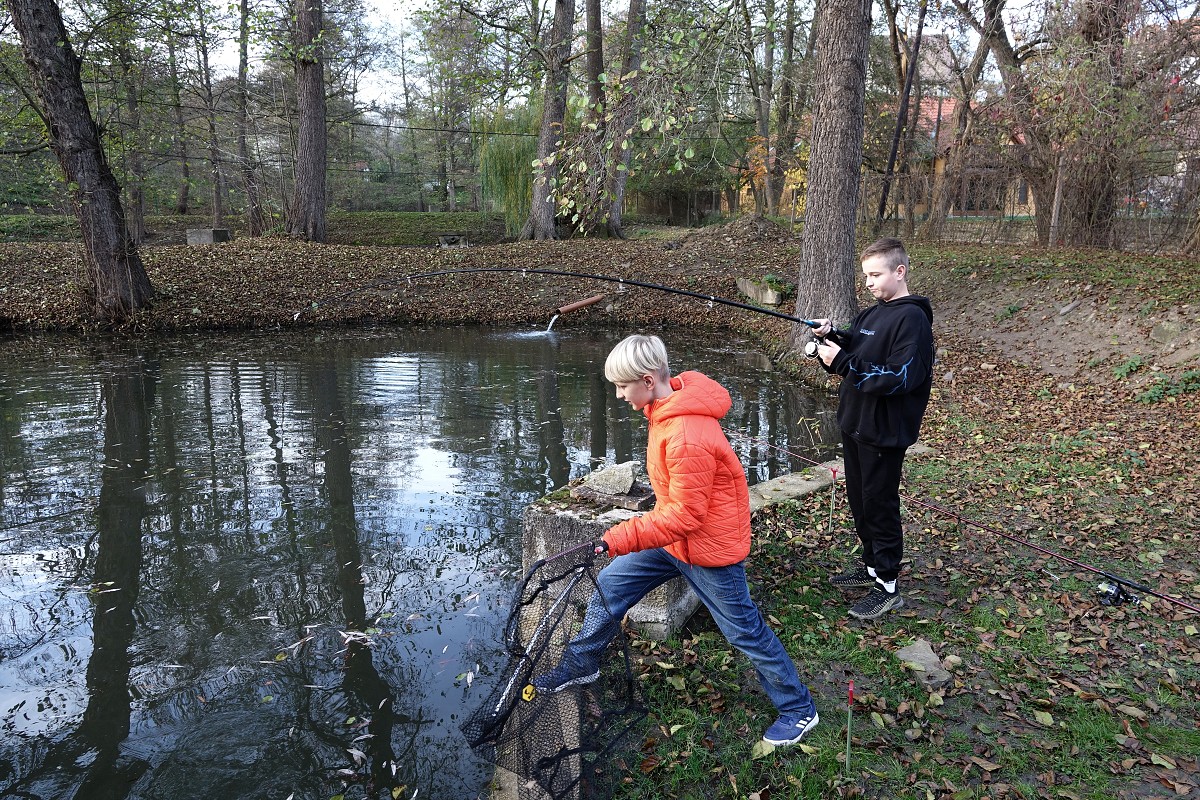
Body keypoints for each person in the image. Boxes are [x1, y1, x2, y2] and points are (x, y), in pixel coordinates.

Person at [533, 334, 820, 747]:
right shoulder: (665, 406)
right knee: (611, 584)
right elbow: (677, 506)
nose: (617, 395)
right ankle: (582, 663)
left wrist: (617, 537)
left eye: (622, 386)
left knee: (744, 632)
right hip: (674, 543)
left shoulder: (686, 432)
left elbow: (685, 514)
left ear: (648, 380)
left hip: (709, 551)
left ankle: (798, 709)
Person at [811, 237, 934, 620]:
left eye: (875, 274)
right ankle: (870, 567)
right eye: (865, 275)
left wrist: (843, 362)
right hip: (855, 425)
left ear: (900, 272)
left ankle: (888, 585)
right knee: (861, 502)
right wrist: (830, 336)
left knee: (880, 505)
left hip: (883, 431)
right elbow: (858, 346)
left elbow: (900, 377)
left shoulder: (912, 319)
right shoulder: (871, 313)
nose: (868, 283)